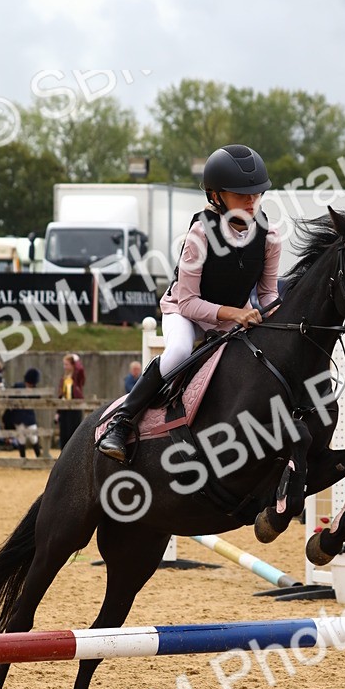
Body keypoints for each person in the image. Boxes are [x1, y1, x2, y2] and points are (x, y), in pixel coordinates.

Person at [97, 144, 280, 462]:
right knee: (180, 350)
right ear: (216, 196)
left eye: (256, 194)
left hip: (227, 322)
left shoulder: (271, 237)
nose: (251, 201)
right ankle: (120, 422)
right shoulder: (201, 233)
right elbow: (189, 301)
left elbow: (267, 295)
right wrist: (236, 313)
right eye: (241, 194)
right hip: (184, 313)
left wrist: (280, 315)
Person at [5, 368, 43, 459]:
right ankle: (23, 458)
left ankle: (39, 457)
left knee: (33, 437)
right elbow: (11, 398)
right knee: (21, 438)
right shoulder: (18, 386)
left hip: (29, 417)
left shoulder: (35, 390)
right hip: (18, 416)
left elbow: (38, 400)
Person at [58, 353, 85, 449]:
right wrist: (57, 412)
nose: (64, 367)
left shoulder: (77, 377)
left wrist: (76, 360)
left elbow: (81, 370)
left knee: (73, 433)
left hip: (75, 407)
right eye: (64, 364)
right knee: (64, 434)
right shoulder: (64, 378)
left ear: (72, 365)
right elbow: (61, 394)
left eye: (67, 364)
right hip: (64, 408)